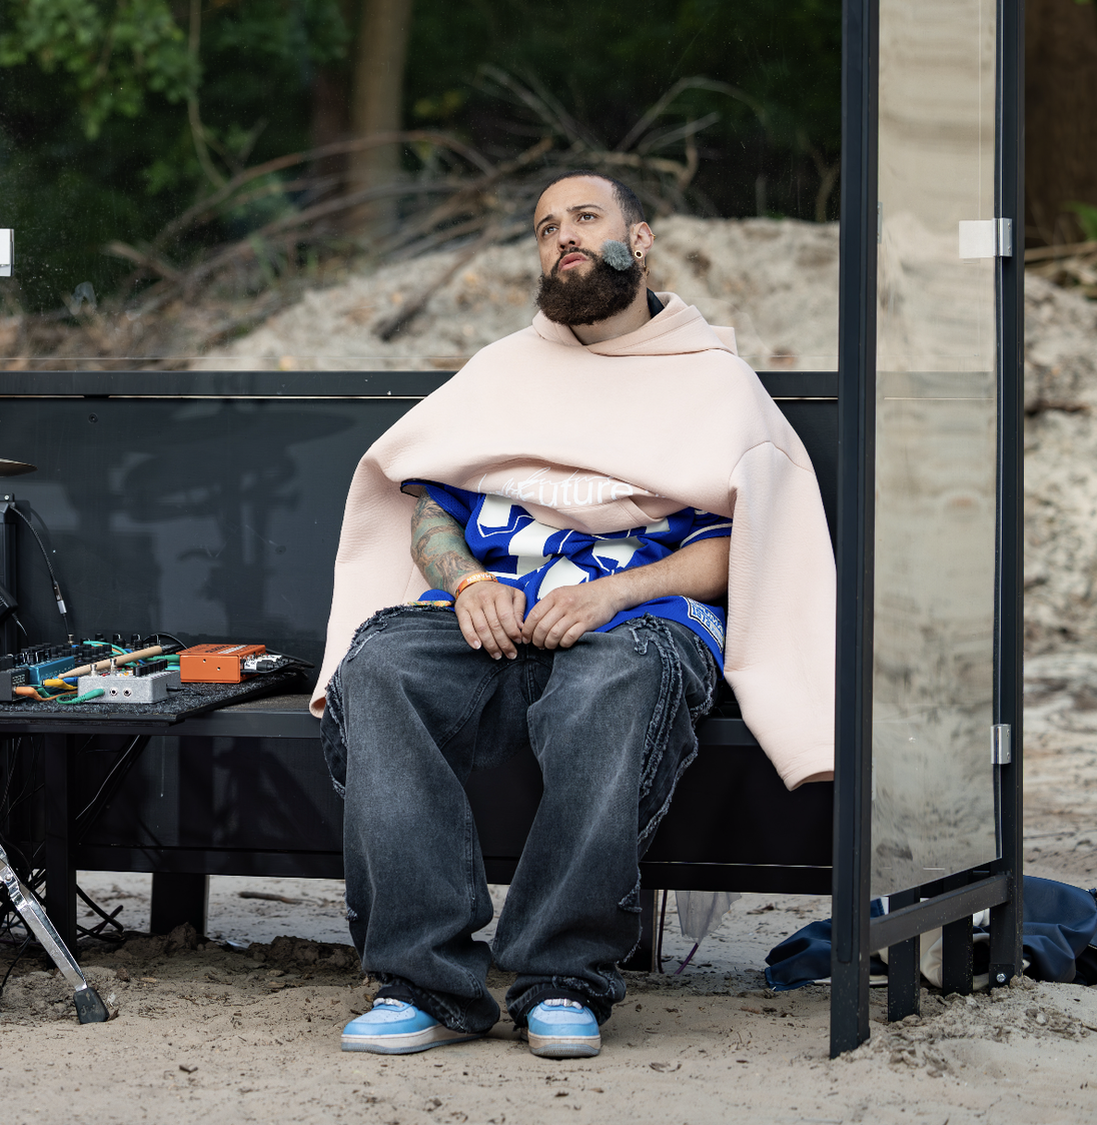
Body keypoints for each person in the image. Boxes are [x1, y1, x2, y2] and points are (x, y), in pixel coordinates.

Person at [310, 171, 835, 1059]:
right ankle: (421, 978)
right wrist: (467, 584)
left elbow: (740, 545)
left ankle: (561, 974)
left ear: (643, 238)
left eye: (586, 218)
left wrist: (616, 592)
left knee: (615, 683)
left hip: (639, 619)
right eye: (547, 226)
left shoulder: (713, 381)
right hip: (492, 614)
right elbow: (429, 512)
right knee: (381, 670)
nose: (565, 237)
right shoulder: (503, 370)